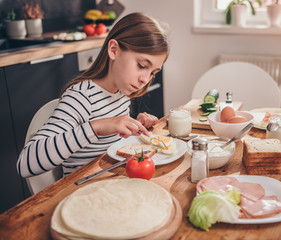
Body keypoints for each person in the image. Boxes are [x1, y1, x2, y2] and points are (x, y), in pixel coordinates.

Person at [17, 12, 169, 178]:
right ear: (113, 50)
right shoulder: (81, 97)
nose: (145, 79)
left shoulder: (121, 93)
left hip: (113, 182)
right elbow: (25, 164)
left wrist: (135, 127)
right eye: (141, 65)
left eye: (153, 73)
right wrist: (96, 127)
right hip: (82, 192)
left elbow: (111, 147)